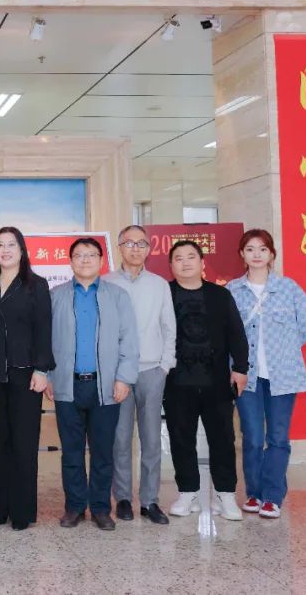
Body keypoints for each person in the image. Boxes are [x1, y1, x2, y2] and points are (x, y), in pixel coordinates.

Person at [228, 229, 306, 519]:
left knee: (278, 437)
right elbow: (225, 332)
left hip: (283, 375)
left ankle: (272, 496)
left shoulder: (288, 288)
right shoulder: (232, 290)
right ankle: (254, 493)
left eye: (262, 249)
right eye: (250, 249)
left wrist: (286, 347)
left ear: (271, 255)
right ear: (242, 254)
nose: (256, 254)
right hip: (246, 376)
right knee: (253, 437)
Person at [50, 237, 138, 532]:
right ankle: (75, 507)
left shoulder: (118, 296)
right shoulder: (56, 296)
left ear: (101, 260)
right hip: (68, 385)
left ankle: (101, 508)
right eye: (79, 255)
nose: (85, 260)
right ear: (70, 261)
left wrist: (124, 378)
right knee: (71, 452)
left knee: (103, 451)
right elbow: (45, 341)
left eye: (91, 255)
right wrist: (48, 376)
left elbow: (129, 340)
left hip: (106, 387)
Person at [164, 239, 249, 522]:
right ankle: (187, 492)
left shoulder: (219, 295)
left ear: (202, 263)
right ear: (171, 265)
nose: (185, 262)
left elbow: (237, 333)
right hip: (177, 381)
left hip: (217, 381)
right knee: (181, 438)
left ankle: (225, 495)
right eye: (178, 258)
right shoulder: (165, 294)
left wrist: (240, 368)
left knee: (222, 438)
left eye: (191, 257)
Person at [0, 227, 53, 531]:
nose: (5, 250)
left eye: (11, 244)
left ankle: (22, 512)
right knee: (0, 444)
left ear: (22, 250)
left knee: (24, 444)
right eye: (0, 245)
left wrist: (42, 369)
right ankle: (1, 509)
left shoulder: (36, 285)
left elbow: (44, 329)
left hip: (27, 375)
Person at [105, 225, 176, 525]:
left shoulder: (159, 285)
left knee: (151, 439)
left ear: (149, 249)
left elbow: (169, 327)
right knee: (120, 439)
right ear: (119, 247)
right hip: (118, 373)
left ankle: (150, 501)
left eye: (141, 243)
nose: (135, 248)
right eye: (129, 243)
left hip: (151, 371)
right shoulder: (105, 283)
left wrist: (164, 366)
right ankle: (123, 498)